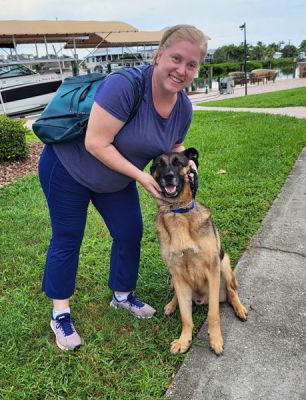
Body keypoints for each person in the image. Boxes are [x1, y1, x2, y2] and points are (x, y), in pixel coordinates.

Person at [38, 24, 208, 351]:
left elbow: (173, 143)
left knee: (129, 231)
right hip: (68, 167)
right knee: (67, 237)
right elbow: (96, 143)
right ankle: (60, 313)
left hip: (115, 178)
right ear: (159, 56)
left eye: (191, 64)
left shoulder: (184, 107)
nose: (182, 70)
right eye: (176, 58)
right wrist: (143, 177)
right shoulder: (126, 85)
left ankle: (122, 295)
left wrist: (186, 161)